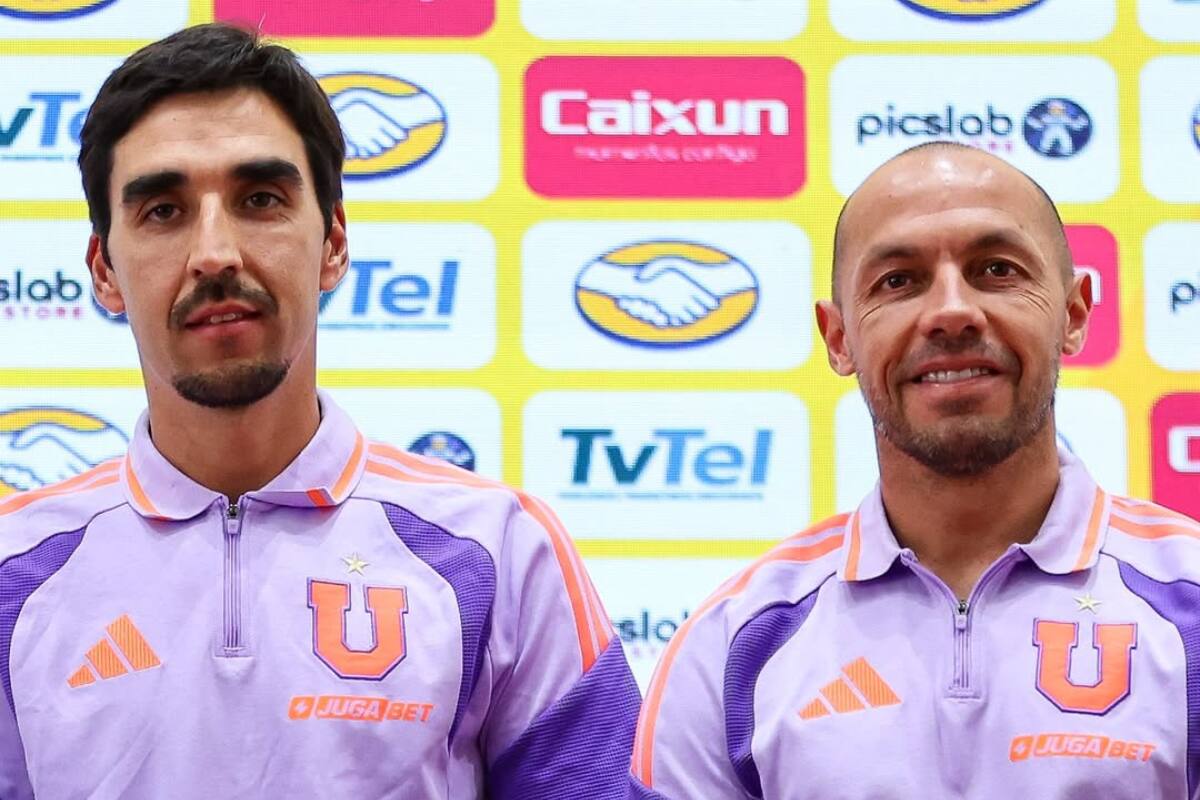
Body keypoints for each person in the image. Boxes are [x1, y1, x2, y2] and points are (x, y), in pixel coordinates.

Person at [0, 24, 639, 799]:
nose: (215, 253)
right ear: (104, 269)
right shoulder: (15, 571)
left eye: (259, 198)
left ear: (333, 242)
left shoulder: (500, 552)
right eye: (164, 211)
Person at [628, 142, 1200, 799]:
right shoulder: (737, 644)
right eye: (898, 281)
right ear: (839, 338)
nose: (951, 311)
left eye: (996, 269)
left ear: (1072, 314)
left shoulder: (1188, 602)